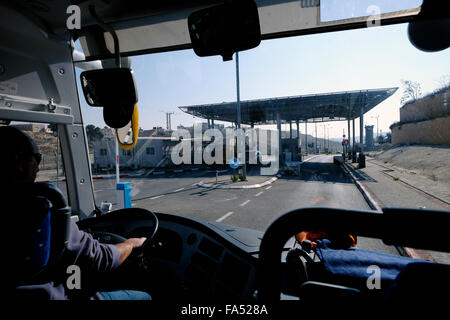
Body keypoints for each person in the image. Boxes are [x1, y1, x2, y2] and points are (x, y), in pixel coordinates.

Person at [0, 125, 151, 300]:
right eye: (37, 158)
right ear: (19, 163)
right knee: (144, 297)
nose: (39, 168)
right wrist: (131, 244)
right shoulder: (41, 211)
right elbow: (102, 258)